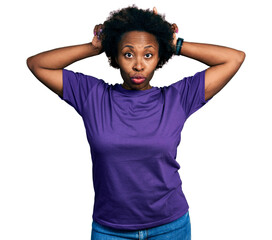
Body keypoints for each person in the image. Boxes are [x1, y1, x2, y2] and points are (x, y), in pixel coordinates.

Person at [26, 5, 245, 240]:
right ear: (116, 56)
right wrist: (94, 47)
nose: (138, 65)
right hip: (110, 229)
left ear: (159, 57)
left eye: (148, 54)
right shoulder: (92, 96)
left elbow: (233, 58)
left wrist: (175, 44)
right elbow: (37, 64)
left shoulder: (177, 98)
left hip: (170, 226)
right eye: (128, 54)